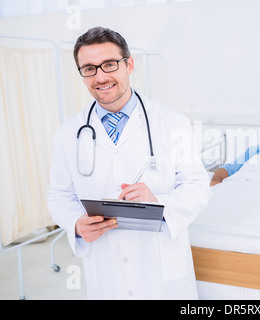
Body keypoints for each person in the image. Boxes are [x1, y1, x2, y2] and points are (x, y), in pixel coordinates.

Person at [48, 27, 211, 299]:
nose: (100, 76)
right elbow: (59, 196)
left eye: (109, 64)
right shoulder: (68, 133)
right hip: (106, 269)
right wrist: (76, 222)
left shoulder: (173, 123)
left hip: (161, 272)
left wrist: (159, 201)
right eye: (89, 68)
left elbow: (198, 187)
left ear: (129, 64)